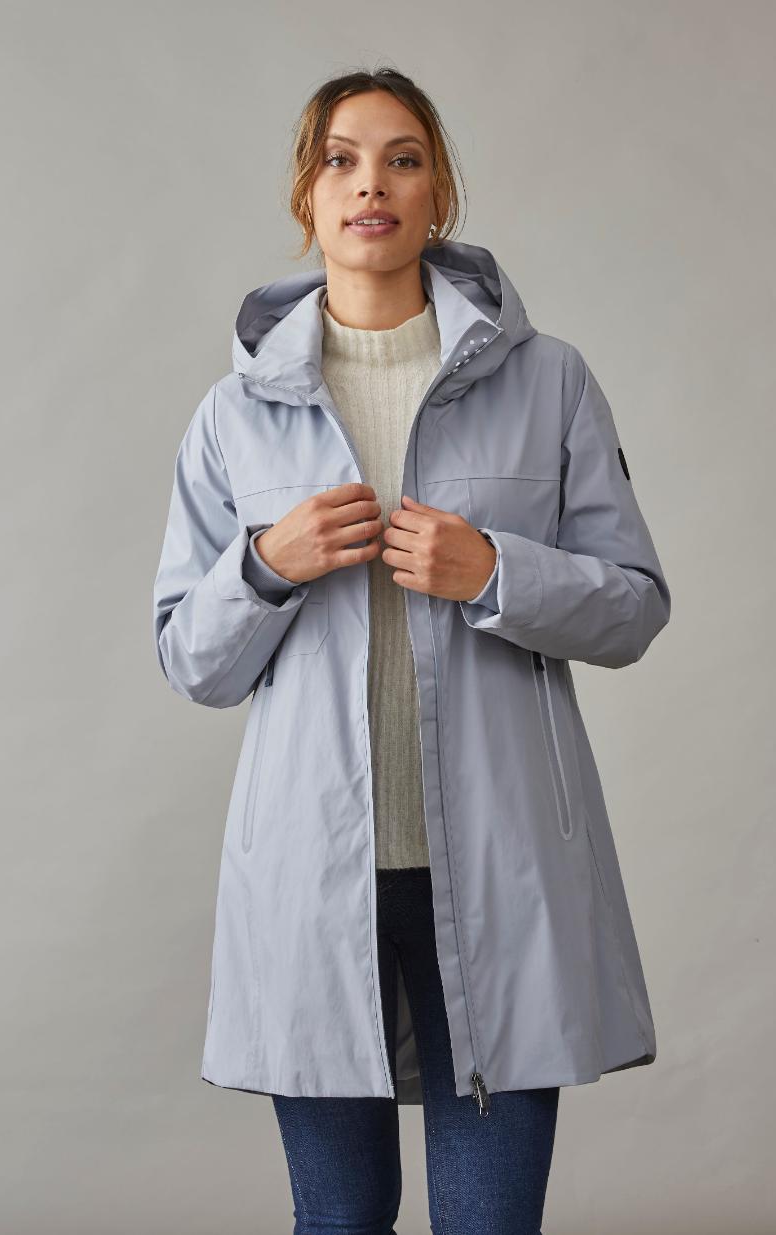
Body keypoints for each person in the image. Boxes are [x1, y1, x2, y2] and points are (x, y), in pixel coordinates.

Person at [152, 66, 671, 1235]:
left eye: (403, 158)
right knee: (338, 1223)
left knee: (489, 1224)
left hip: (501, 869)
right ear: (306, 195)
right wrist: (266, 563)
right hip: (311, 873)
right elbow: (192, 658)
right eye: (340, 160)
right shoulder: (235, 415)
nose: (370, 184)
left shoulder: (549, 382)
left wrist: (496, 571)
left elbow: (634, 606)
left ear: (440, 192)